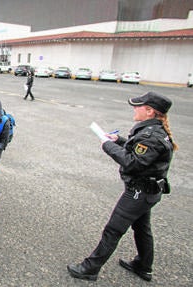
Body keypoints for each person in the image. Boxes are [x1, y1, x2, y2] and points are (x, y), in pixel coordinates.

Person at [67, 92, 177, 282]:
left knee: (113, 230)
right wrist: (118, 141)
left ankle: (89, 268)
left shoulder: (151, 135)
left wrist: (107, 145)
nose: (135, 109)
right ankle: (143, 266)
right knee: (142, 228)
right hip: (148, 191)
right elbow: (140, 152)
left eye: (138, 106)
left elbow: (132, 162)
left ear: (150, 111)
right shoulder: (154, 130)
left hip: (139, 192)